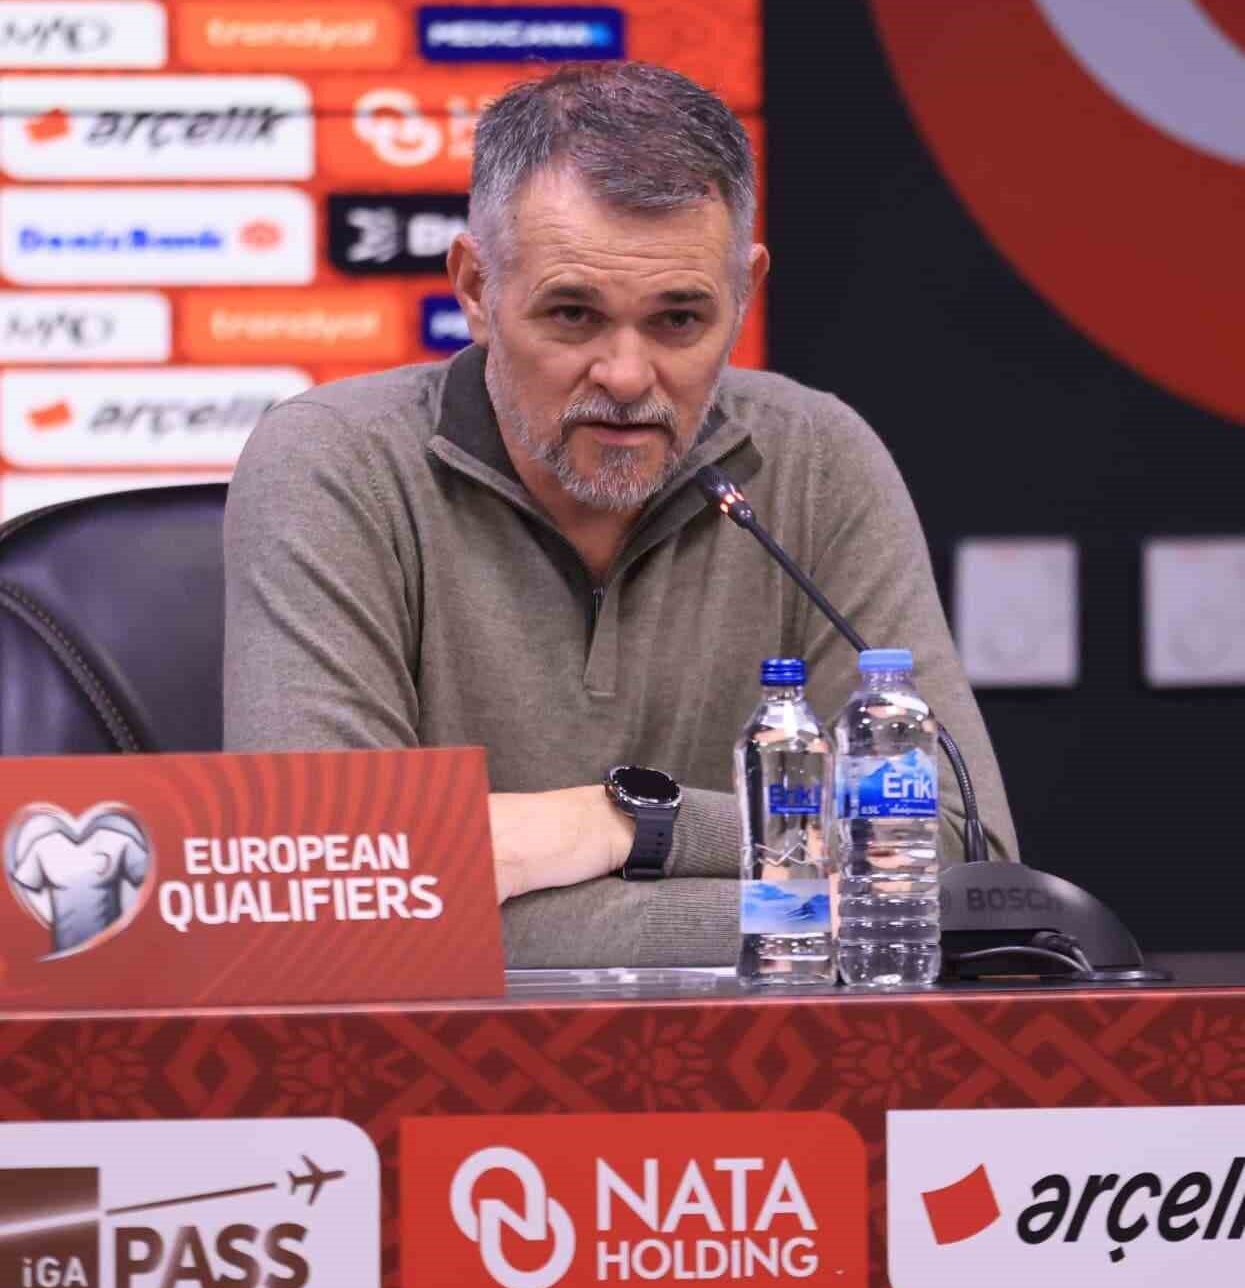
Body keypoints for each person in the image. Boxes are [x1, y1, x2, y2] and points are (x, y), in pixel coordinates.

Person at [223, 61, 1017, 967]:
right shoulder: (334, 460)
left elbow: (951, 856)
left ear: (744, 291)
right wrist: (811, 911)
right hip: (425, 1049)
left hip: (766, 1051)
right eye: (573, 315)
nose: (628, 377)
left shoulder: (818, 457)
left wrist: (622, 822)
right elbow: (324, 883)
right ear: (476, 288)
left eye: (678, 320)